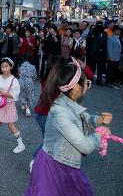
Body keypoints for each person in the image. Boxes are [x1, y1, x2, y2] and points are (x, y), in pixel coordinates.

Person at [25, 58, 113, 196]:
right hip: (53, 168)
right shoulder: (60, 112)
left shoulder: (67, 101)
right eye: (87, 84)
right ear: (77, 88)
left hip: (65, 164)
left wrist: (97, 119)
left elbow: (80, 118)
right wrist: (100, 134)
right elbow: (84, 145)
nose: (87, 87)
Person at [0, 57, 25, 153]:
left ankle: (21, 144)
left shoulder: (14, 80)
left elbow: (15, 94)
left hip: (9, 105)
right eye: (2, 66)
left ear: (11, 67)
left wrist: (3, 93)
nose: (4, 69)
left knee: (11, 124)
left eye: (6, 66)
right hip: (0, 104)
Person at [18, 53, 37, 117]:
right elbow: (35, 76)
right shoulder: (33, 66)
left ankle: (24, 104)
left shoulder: (21, 66)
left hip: (21, 81)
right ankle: (27, 108)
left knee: (22, 94)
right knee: (29, 94)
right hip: (29, 82)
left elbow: (19, 73)